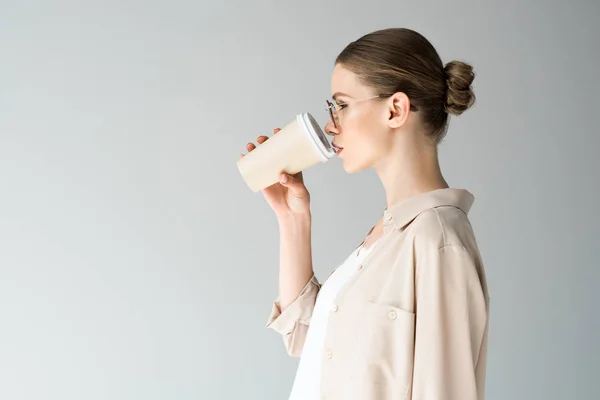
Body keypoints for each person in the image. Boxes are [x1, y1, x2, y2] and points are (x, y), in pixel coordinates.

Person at [240, 27, 490, 400]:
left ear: (396, 109)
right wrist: (293, 217)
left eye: (341, 105)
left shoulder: (437, 241)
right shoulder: (387, 236)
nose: (330, 125)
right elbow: (309, 341)